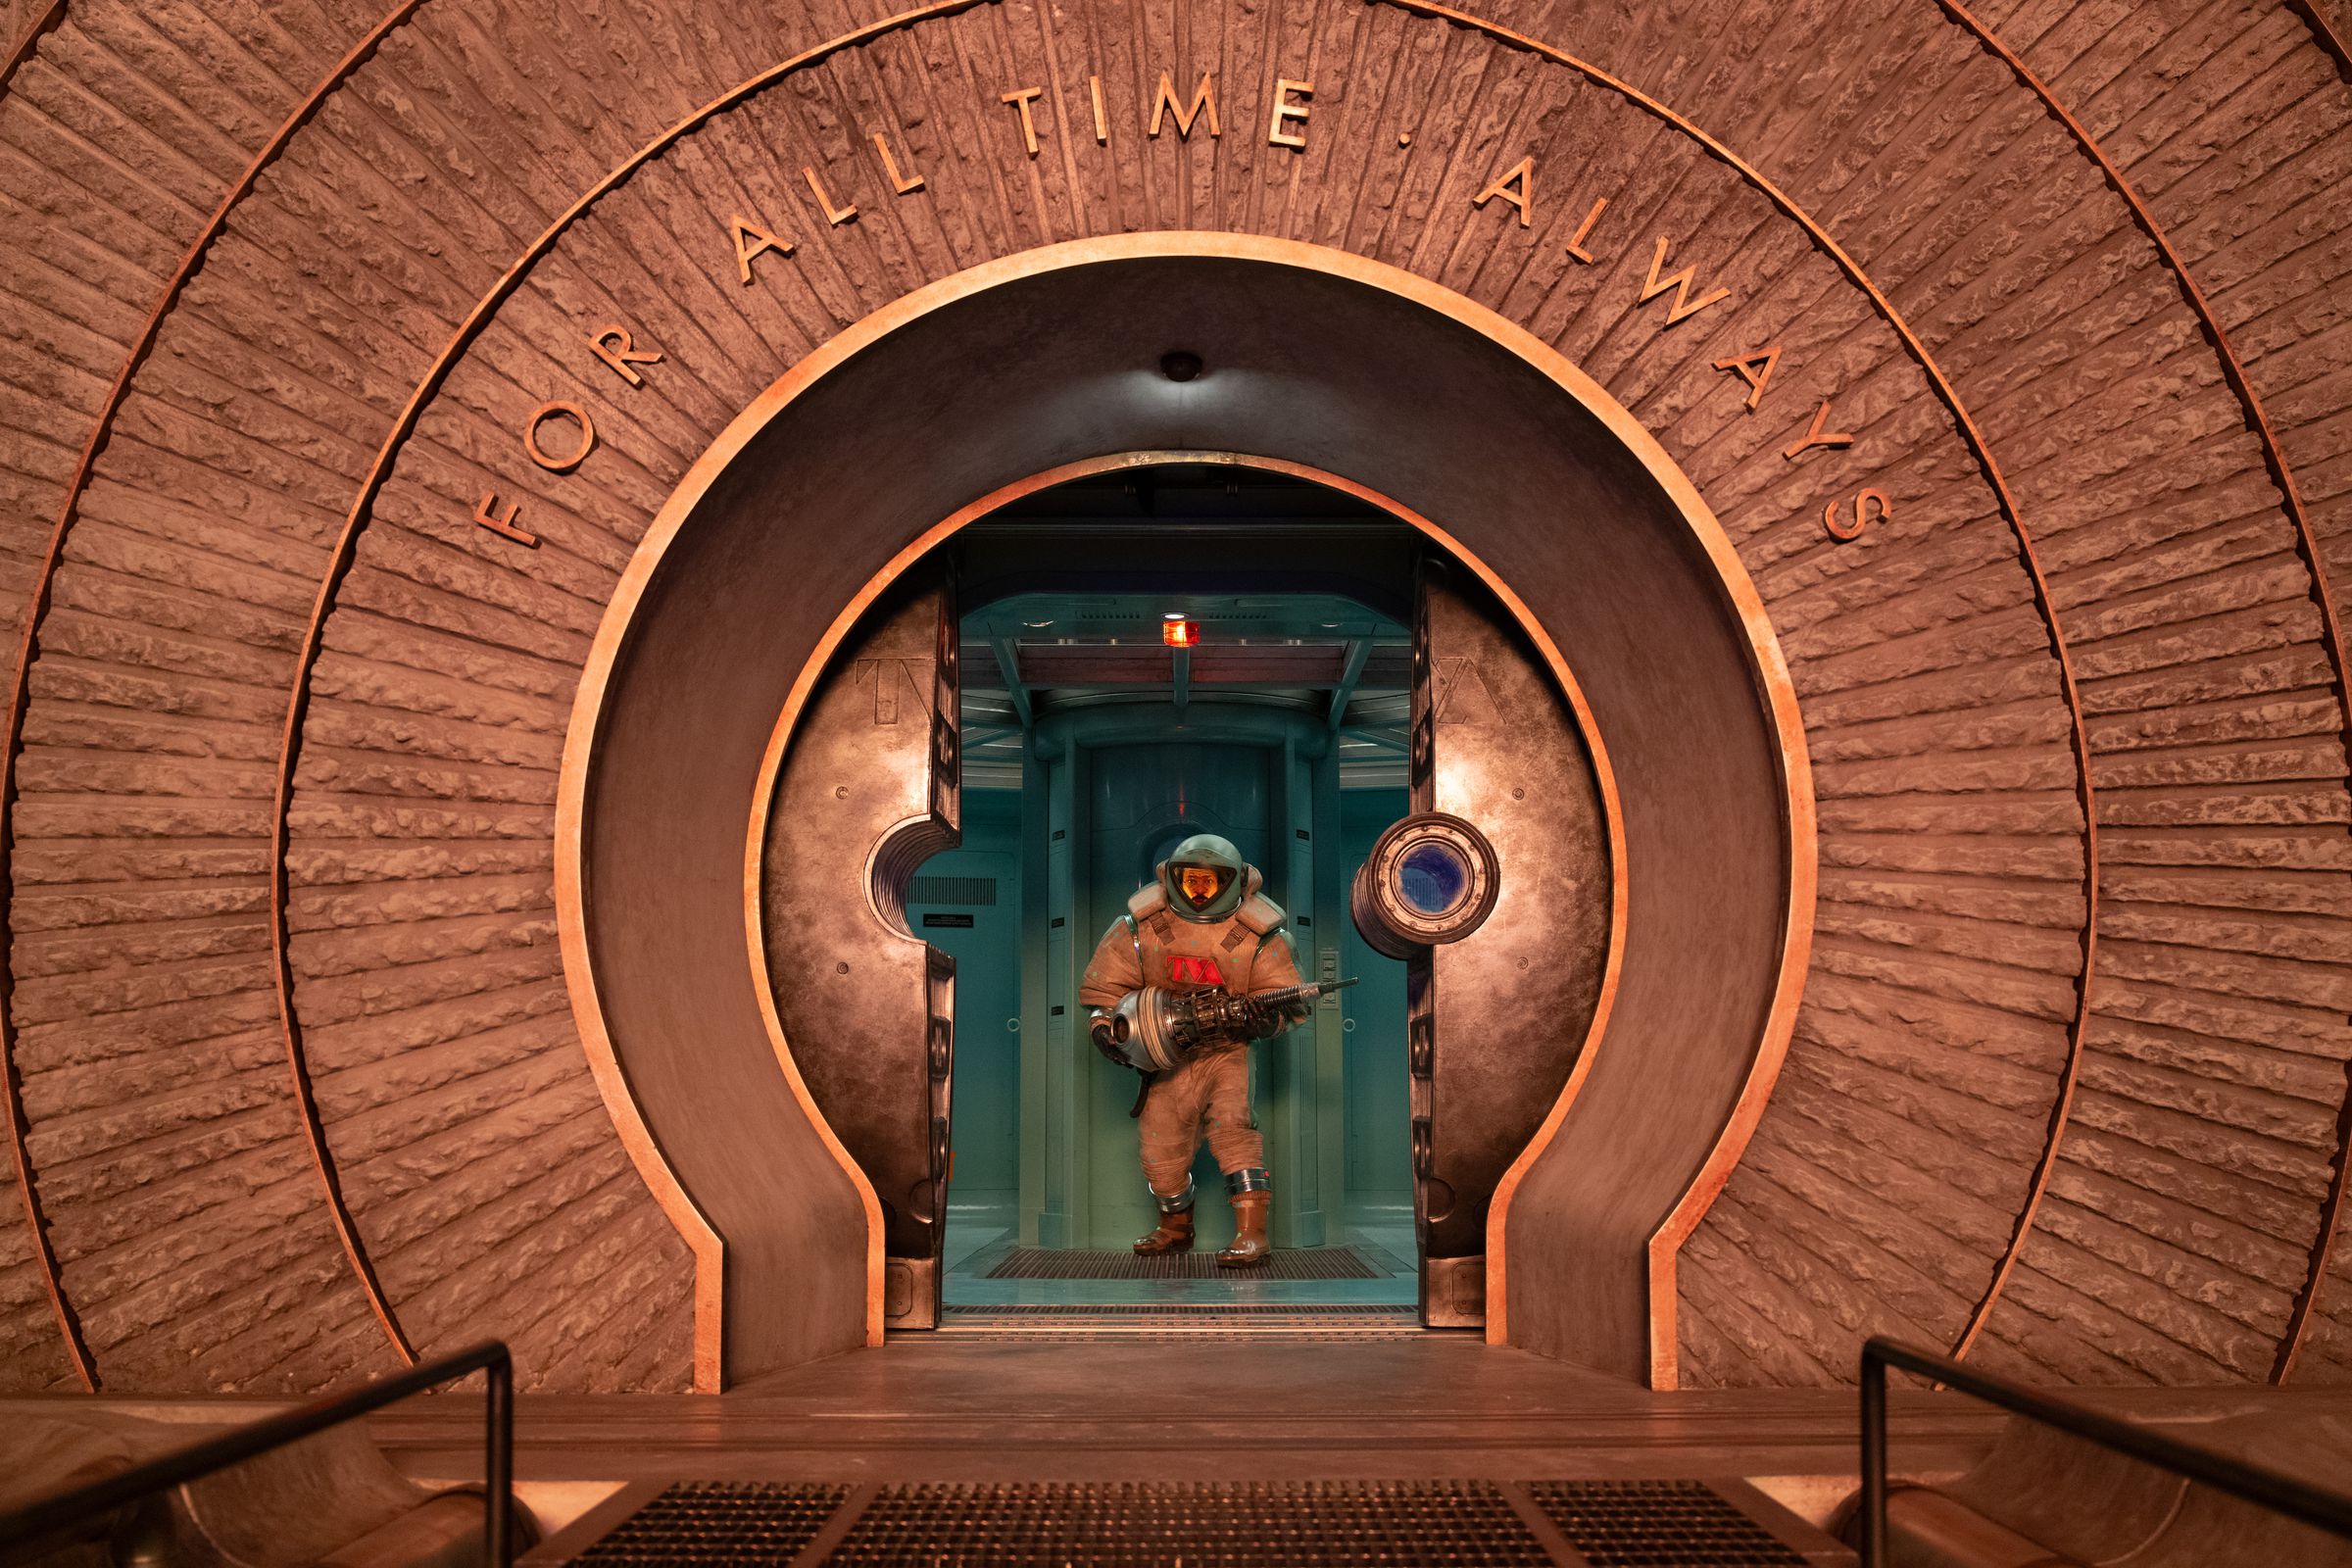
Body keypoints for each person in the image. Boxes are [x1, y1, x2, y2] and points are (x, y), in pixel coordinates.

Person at [1077, 833, 1310, 1267]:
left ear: (1237, 881)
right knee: (1159, 1152)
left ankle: (1251, 1234)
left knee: (1233, 1132)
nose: (1200, 893)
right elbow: (1105, 988)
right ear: (1169, 877)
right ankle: (1175, 1228)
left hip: (1226, 1052)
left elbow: (1286, 999)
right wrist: (1105, 1027)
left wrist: (1266, 1018)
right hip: (1164, 1056)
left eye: (1211, 883)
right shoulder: (1142, 926)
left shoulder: (1258, 933)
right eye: (1190, 882)